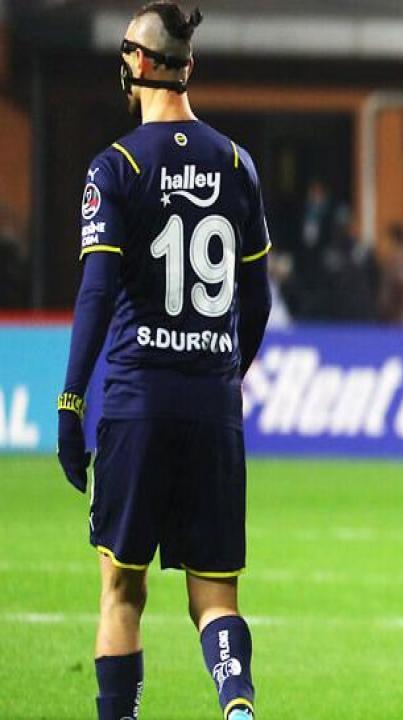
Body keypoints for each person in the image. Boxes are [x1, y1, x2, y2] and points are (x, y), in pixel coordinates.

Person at [55, 4, 273, 719]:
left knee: (122, 592)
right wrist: (222, 374)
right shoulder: (237, 164)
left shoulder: (116, 167)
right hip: (213, 408)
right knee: (215, 597)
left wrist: (70, 400)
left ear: (139, 63)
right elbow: (258, 302)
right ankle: (236, 702)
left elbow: (97, 292)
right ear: (189, 66)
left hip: (137, 404)